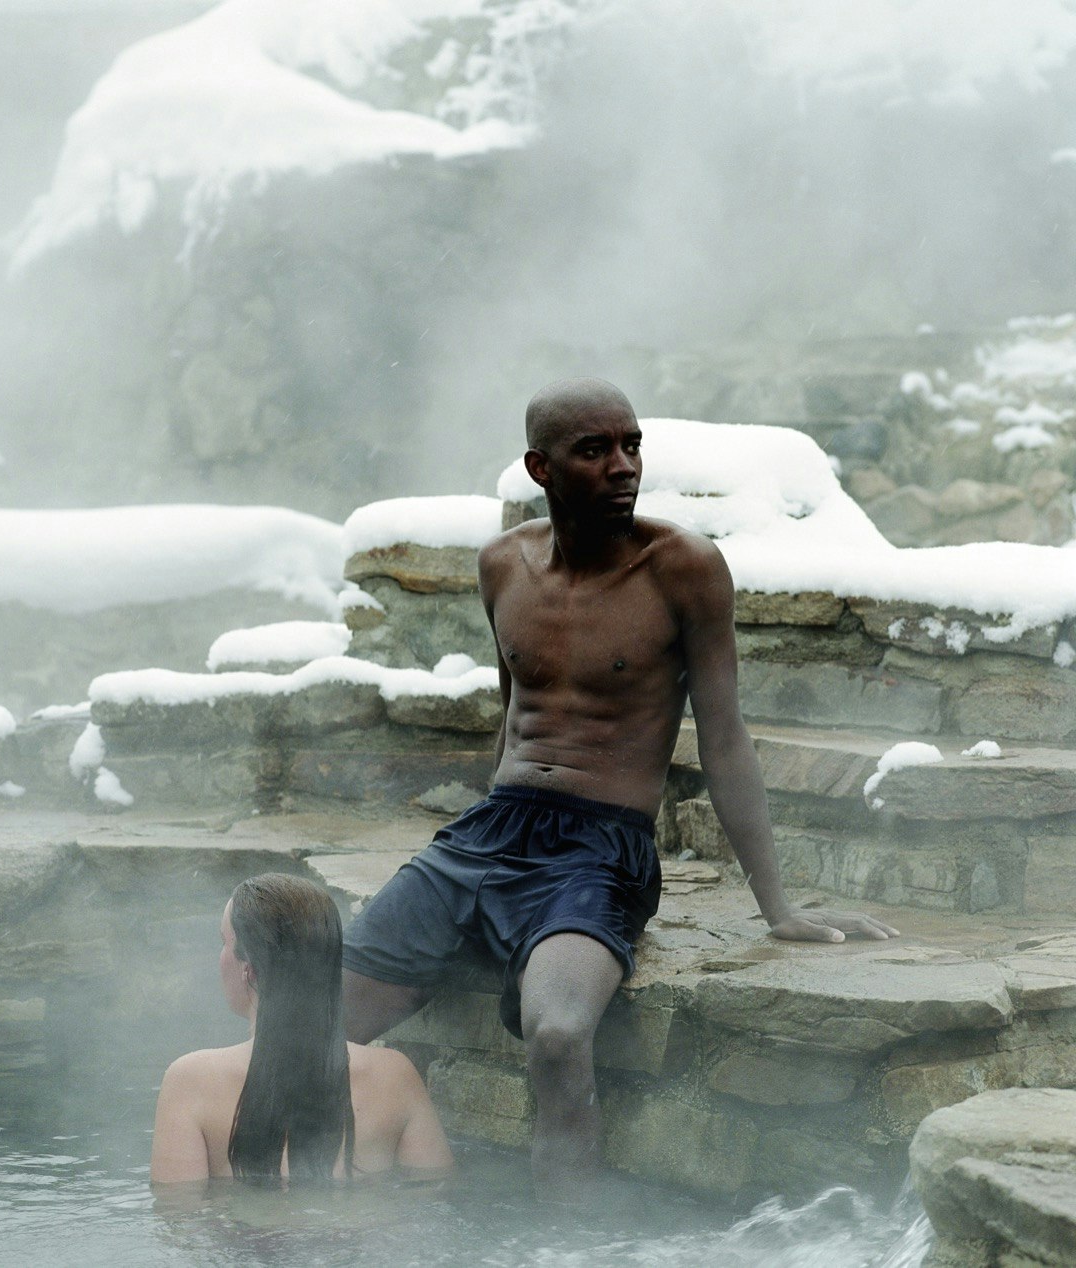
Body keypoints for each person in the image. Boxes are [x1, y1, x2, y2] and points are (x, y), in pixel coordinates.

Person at [340, 378, 899, 1189]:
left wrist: (775, 905)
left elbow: (725, 739)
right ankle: (338, 1195)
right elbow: (514, 713)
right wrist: (472, 851)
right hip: (491, 834)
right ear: (541, 466)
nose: (623, 465)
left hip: (600, 851)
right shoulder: (503, 563)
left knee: (560, 1035)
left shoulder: (685, 569)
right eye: (595, 450)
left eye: (631, 445)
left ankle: (571, 1243)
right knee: (321, 1018)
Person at [150, 873, 454, 1185]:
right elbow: (432, 1193)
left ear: (248, 968)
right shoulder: (395, 1075)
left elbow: (180, 1217)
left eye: (223, 942)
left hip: (245, 1232)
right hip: (359, 1231)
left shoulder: (190, 1080)